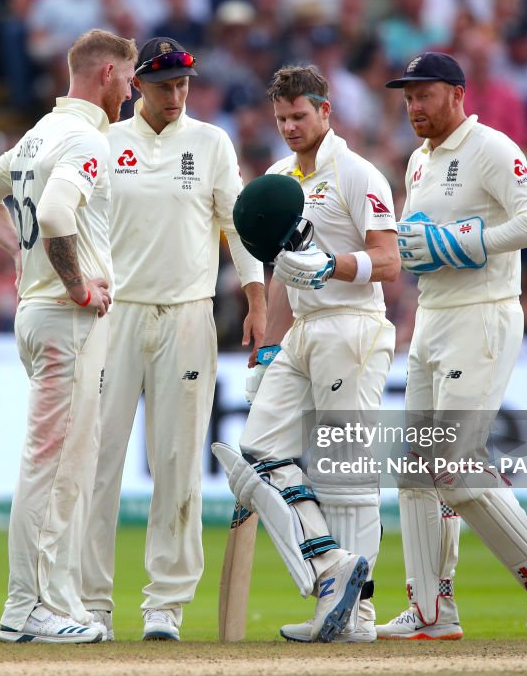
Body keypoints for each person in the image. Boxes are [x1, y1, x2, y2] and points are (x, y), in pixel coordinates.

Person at [377, 51, 527, 640]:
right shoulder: (418, 161)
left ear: (457, 94)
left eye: (425, 95)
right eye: (408, 97)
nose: (414, 107)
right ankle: (433, 611)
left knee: (455, 469)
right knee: (415, 470)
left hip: (483, 316)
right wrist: (414, 249)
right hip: (433, 319)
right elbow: (419, 244)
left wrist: (467, 242)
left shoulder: (491, 147)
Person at [79, 37, 266, 642]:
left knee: (179, 462)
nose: (177, 96)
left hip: (188, 313)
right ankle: (91, 605)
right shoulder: (105, 142)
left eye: (184, 84)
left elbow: (238, 225)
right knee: (97, 463)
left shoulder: (210, 142)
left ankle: (165, 605)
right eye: (164, 86)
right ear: (137, 84)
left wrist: (256, 298)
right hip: (114, 315)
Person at [0, 28, 137, 644]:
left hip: (40, 316)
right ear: (108, 73)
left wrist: (21, 249)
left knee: (67, 463)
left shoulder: (39, 134)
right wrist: (78, 284)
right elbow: (59, 214)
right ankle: (27, 610)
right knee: (54, 464)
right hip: (67, 319)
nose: (132, 93)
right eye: (130, 79)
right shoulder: (87, 139)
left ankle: (50, 602)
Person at [214, 64, 400, 643]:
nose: (291, 126)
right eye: (282, 118)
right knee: (258, 451)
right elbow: (279, 272)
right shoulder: (277, 177)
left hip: (352, 325)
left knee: (346, 476)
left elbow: (389, 262)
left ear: (325, 111)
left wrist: (332, 265)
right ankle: (329, 572)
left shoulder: (357, 173)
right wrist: (267, 344)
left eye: (300, 115)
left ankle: (359, 616)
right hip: (301, 332)